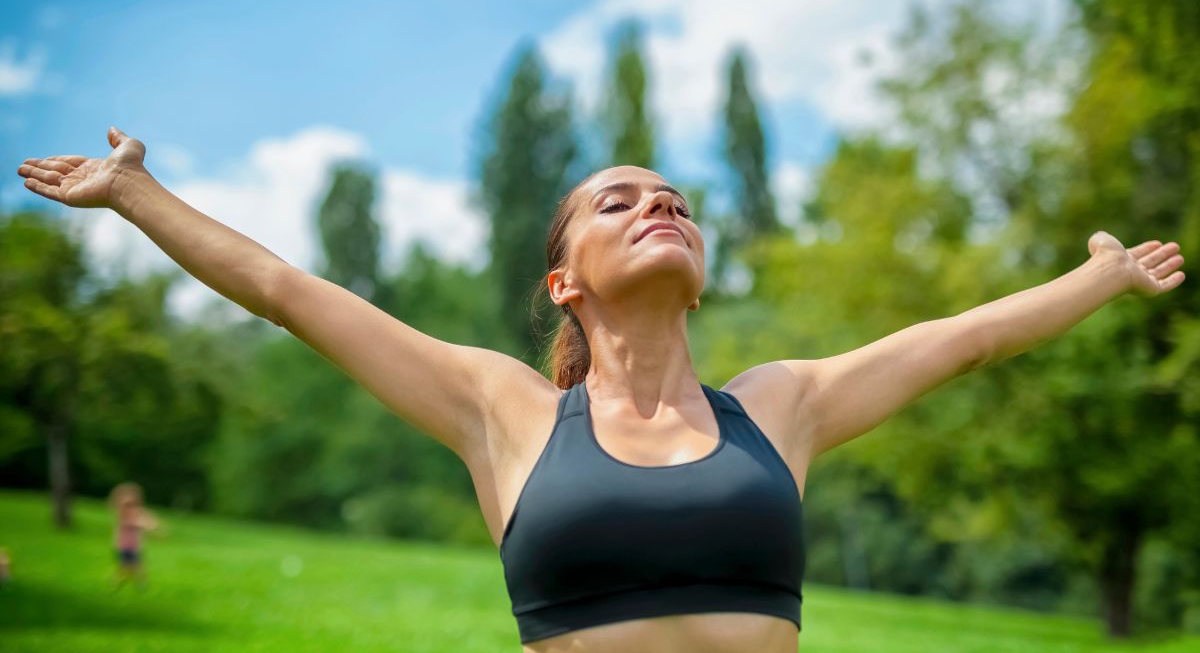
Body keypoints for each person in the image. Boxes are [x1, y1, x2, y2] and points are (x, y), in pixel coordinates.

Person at [15, 128, 1186, 652]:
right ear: (564, 280)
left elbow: (963, 338)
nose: (661, 203)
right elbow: (285, 289)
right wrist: (137, 196)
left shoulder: (777, 405)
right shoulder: (505, 410)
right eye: (619, 199)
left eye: (676, 196)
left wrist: (1098, 277)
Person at [107, 481, 160, 592]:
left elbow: (147, 518)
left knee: (134, 567)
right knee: (128, 568)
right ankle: (125, 583)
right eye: (128, 505)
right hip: (124, 547)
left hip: (134, 547)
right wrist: (146, 525)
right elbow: (135, 523)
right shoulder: (123, 516)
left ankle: (130, 583)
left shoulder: (137, 512)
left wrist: (154, 525)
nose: (131, 507)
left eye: (133, 504)